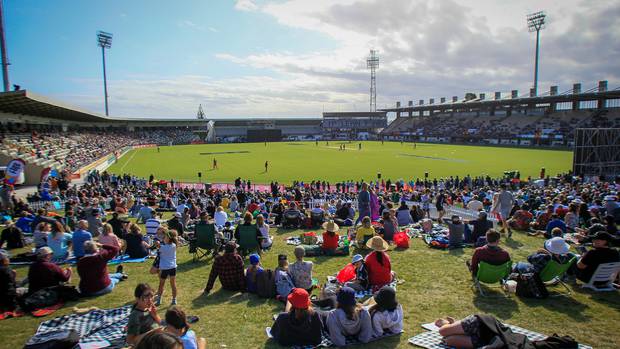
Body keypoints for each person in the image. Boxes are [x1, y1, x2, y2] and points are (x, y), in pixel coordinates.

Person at [155, 230, 178, 306]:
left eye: (165, 237)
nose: (164, 238)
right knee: (173, 284)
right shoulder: (174, 246)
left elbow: (158, 247)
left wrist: (157, 244)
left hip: (164, 268)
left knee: (161, 284)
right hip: (173, 268)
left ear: (168, 238)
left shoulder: (162, 247)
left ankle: (159, 299)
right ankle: (174, 300)